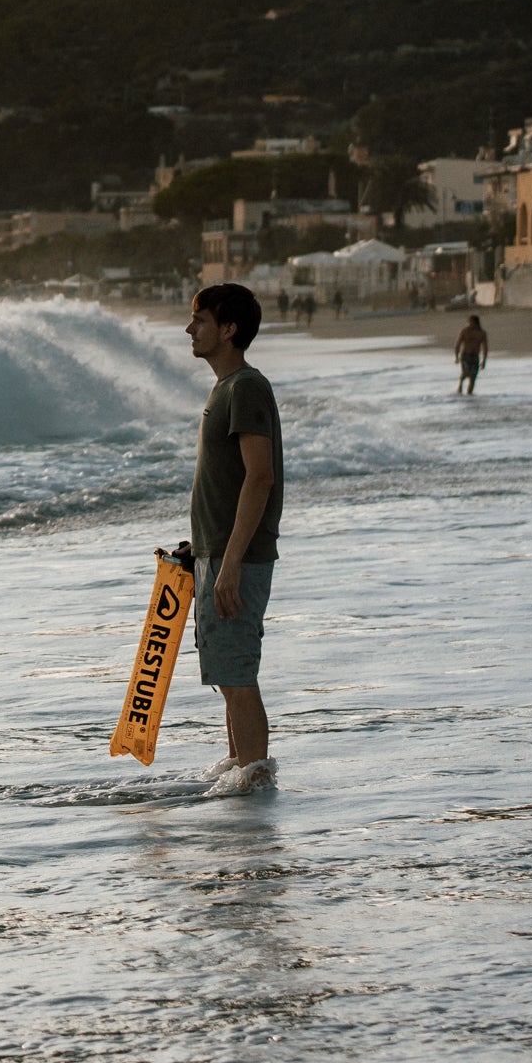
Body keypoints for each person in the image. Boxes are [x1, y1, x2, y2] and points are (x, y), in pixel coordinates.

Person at [183, 282, 283, 795]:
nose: (189, 329)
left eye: (200, 320)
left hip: (235, 559)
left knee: (238, 670)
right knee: (226, 669)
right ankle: (239, 770)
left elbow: (259, 476)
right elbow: (223, 485)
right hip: (217, 554)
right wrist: (197, 548)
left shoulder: (245, 387)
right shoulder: (224, 388)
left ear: (229, 329)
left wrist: (229, 563)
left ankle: (256, 786)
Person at [453, 314, 489, 395]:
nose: (469, 324)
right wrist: (456, 356)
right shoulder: (464, 331)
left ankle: (469, 395)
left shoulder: (482, 333)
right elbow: (458, 344)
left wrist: (484, 361)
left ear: (475, 322)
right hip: (465, 356)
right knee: (466, 373)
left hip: (475, 357)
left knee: (473, 378)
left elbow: (485, 348)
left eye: (470, 322)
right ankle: (460, 385)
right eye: (469, 322)